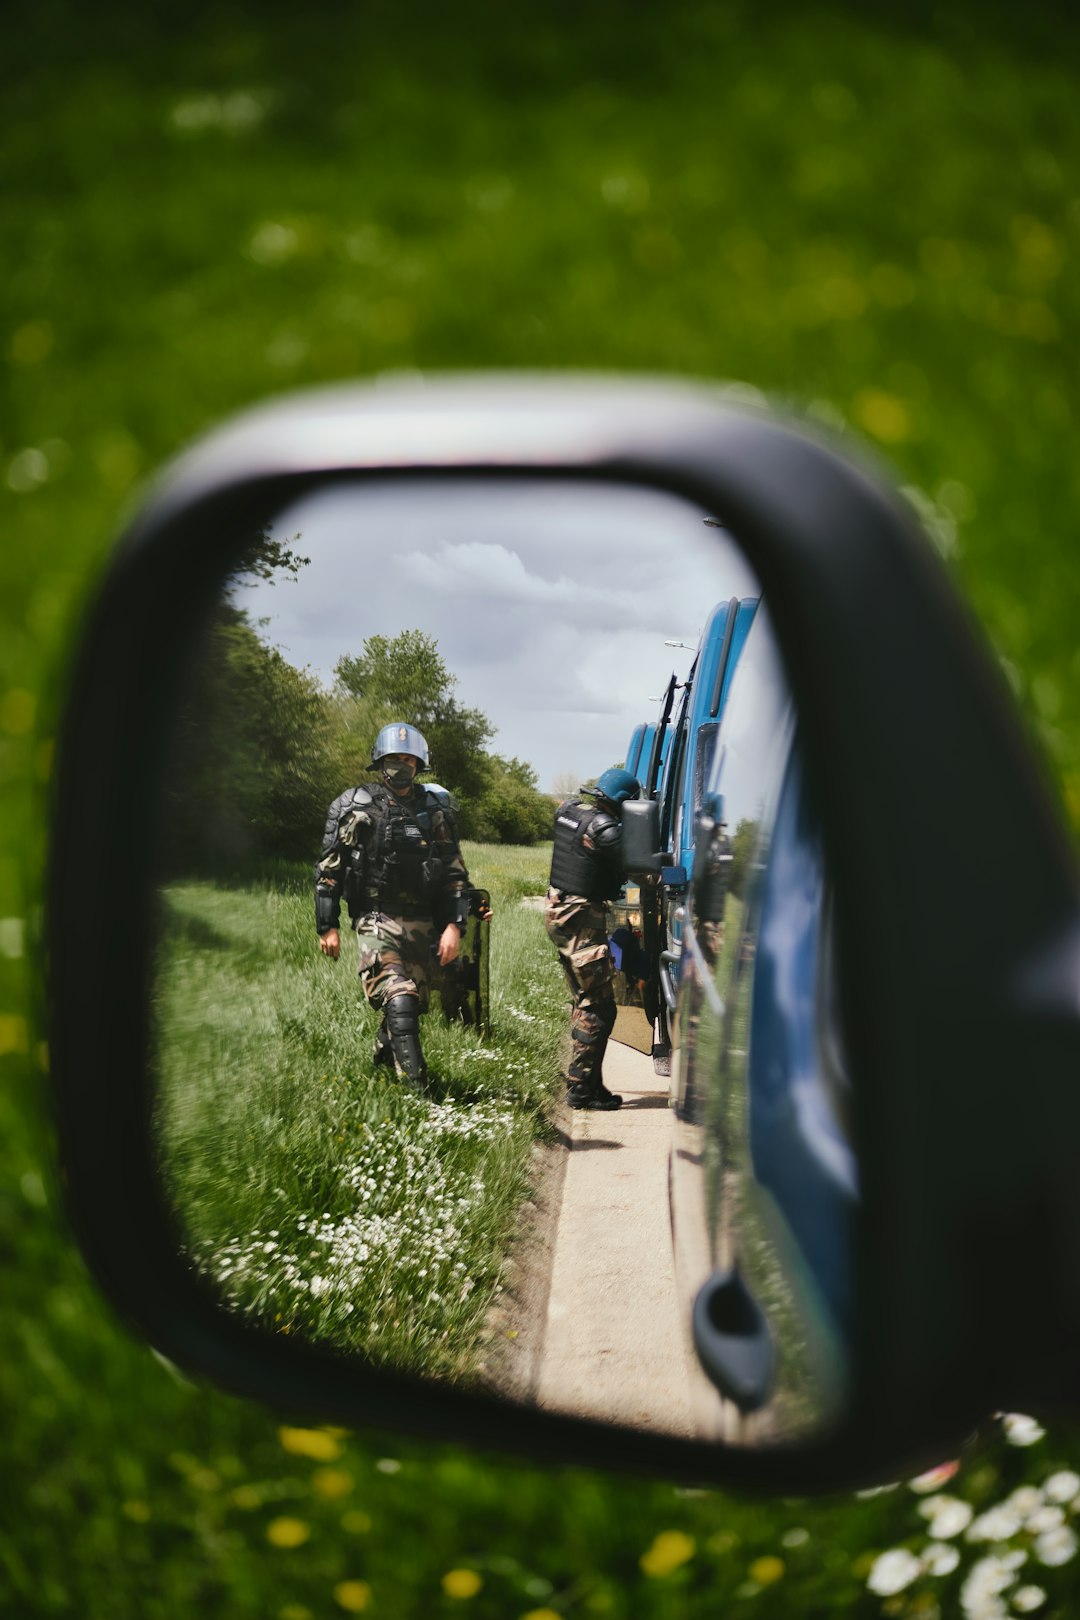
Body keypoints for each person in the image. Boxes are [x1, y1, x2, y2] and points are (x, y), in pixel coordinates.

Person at [314, 723, 471, 1093]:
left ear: (419, 765)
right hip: (375, 915)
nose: (401, 765)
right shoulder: (354, 805)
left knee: (411, 1003)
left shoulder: (436, 810)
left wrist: (454, 926)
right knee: (398, 995)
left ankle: (382, 1059)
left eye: (408, 759)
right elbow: (329, 867)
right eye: (393, 759)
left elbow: (454, 873)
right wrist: (327, 924)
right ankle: (419, 1093)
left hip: (423, 919)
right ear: (379, 762)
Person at [545, 767, 641, 1111]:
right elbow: (638, 867)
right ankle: (581, 1091)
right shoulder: (606, 829)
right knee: (598, 1007)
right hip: (581, 919)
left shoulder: (571, 811)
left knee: (585, 1000)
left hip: (562, 914)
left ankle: (590, 1084)